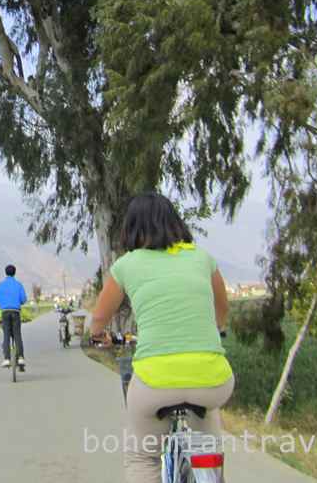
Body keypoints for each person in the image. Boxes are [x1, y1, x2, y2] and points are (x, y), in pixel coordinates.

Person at [89, 193, 233, 483]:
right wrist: (214, 330)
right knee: (208, 439)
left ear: (131, 228)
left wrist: (98, 336)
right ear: (175, 223)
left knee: (143, 456)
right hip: (212, 380)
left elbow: (99, 319)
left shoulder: (126, 265)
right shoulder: (202, 257)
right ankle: (210, 465)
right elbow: (222, 309)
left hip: (155, 383)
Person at [0, 263, 27, 369]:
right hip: (16, 311)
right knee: (17, 335)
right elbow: (23, 299)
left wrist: (4, 304)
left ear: (5, 273)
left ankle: (7, 359)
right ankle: (21, 357)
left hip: (5, 312)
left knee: (6, 335)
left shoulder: (1, 285)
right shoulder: (18, 284)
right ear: (14, 273)